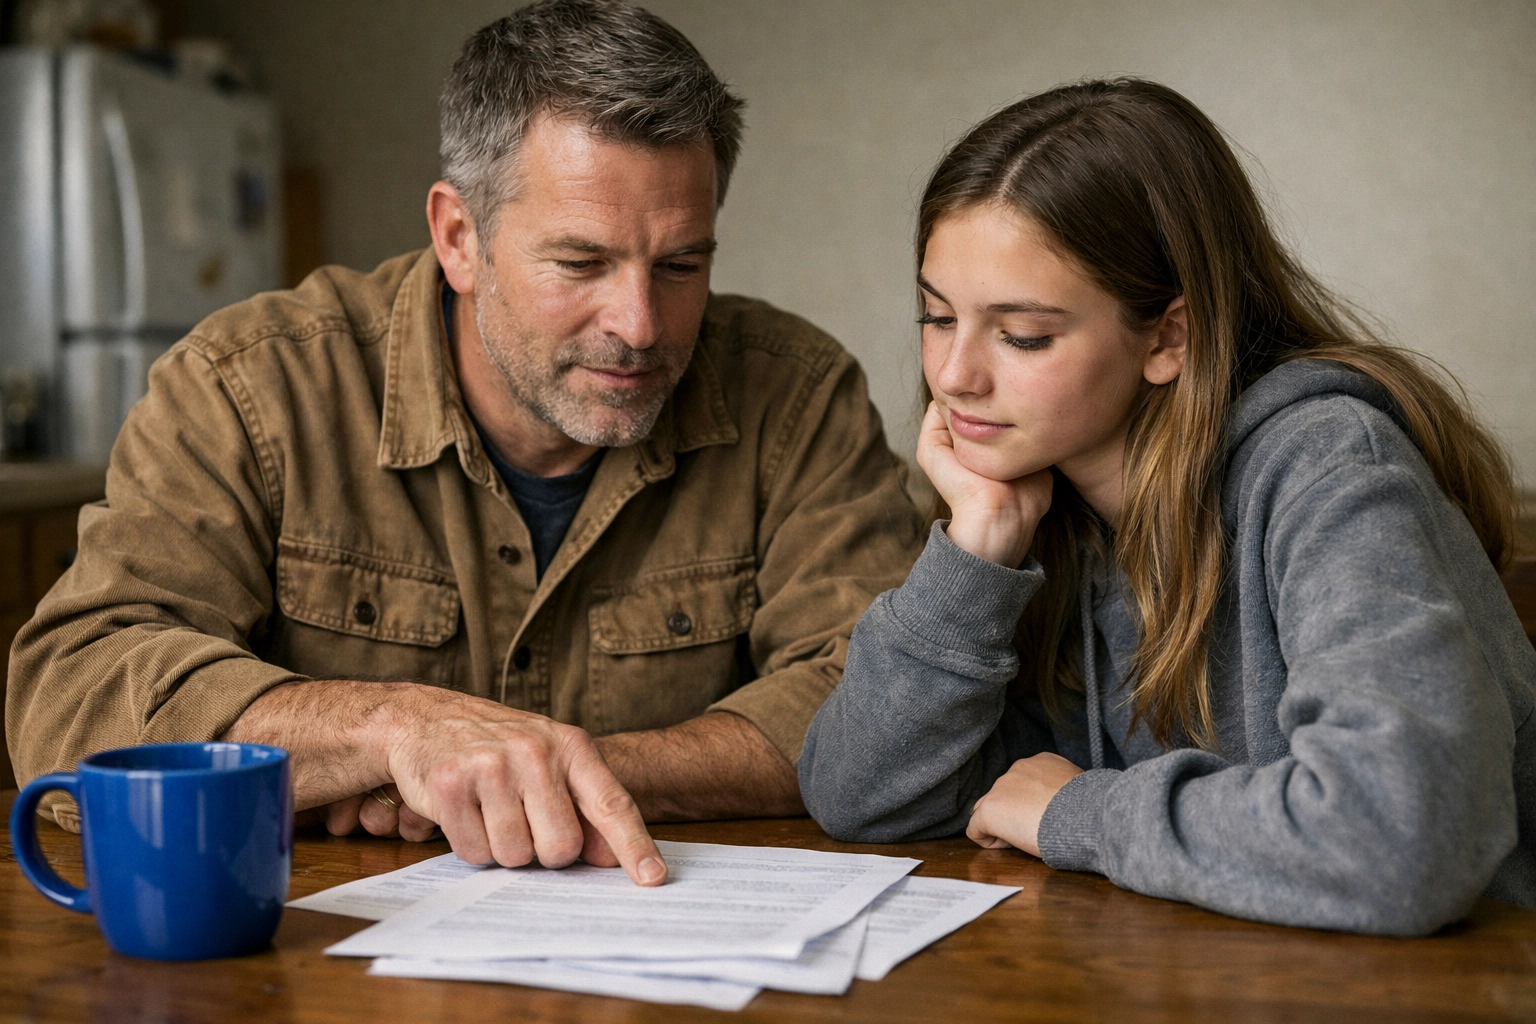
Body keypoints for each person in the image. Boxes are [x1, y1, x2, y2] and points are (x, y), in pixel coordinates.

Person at [7, 0, 924, 886]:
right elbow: (74, 687)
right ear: (459, 237)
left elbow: (881, 706)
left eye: (682, 265)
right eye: (581, 263)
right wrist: (388, 730)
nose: (641, 325)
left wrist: (523, 772)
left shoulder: (798, 396)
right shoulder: (248, 386)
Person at [798, 78, 1536, 934]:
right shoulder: (1048, 510)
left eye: (1023, 334)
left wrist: (1081, 813)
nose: (957, 375)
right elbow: (857, 797)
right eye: (936, 317)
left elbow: (1407, 836)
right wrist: (974, 557)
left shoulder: (1328, 465)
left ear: (1167, 337)